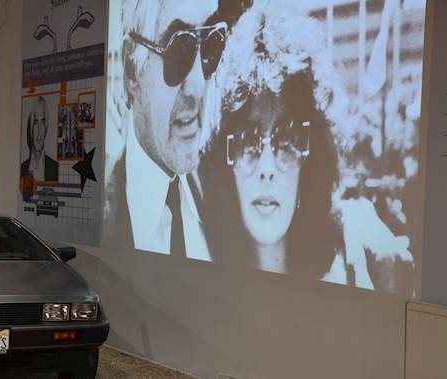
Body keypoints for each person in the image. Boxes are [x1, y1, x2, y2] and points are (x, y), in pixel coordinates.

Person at [200, 1, 415, 291]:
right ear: (225, 161)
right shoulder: (199, 262)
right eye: (247, 141)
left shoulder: (359, 270)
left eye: (287, 140)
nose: (267, 169)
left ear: (311, 158)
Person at [104, 0, 250, 259]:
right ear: (131, 70)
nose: (197, 88)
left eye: (210, 46)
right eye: (179, 50)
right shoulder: (102, 216)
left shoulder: (234, 198)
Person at [20, 96, 58, 182]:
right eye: (36, 122)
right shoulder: (22, 168)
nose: (40, 130)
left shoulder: (55, 168)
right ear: (31, 130)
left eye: (43, 122)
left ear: (46, 129)